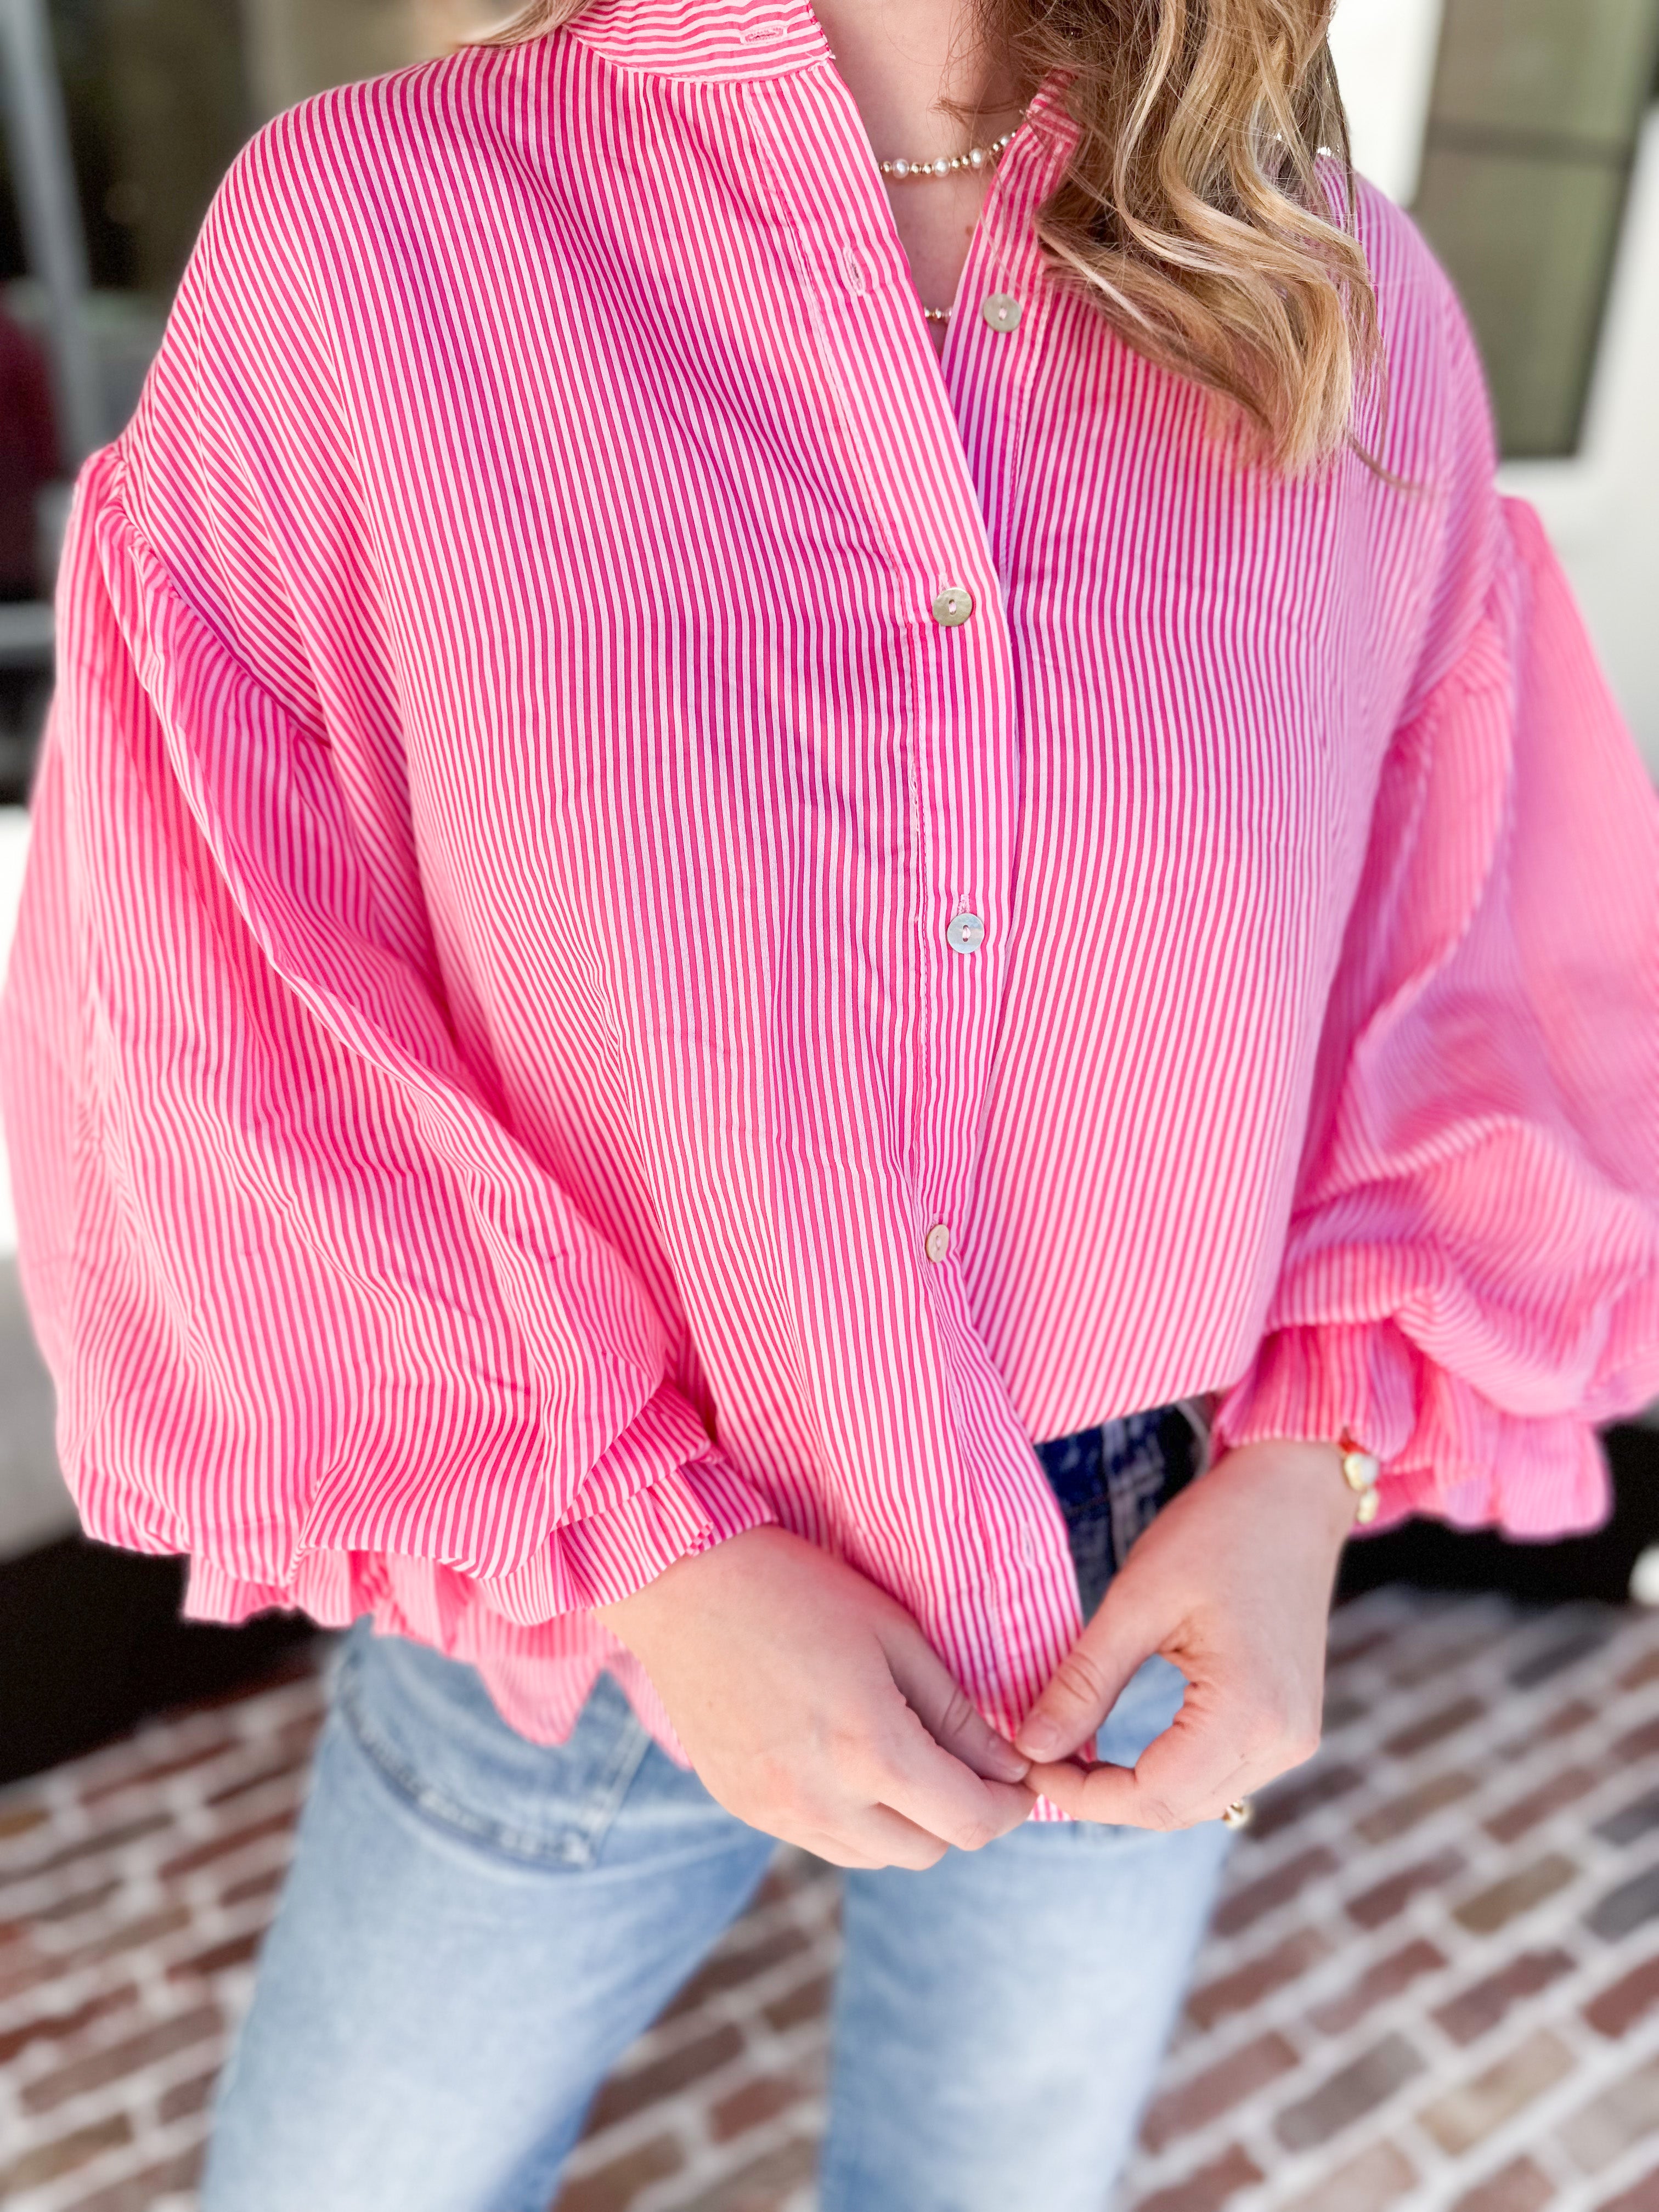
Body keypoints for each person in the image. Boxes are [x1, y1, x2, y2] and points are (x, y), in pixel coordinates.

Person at [3, 0, 1656, 2195]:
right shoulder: (369, 244)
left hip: (1134, 1569)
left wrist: (1305, 1474)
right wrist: (651, 1550)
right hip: (590, 1571)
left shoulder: (1341, 300)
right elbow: (218, 978)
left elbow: (1454, 950)